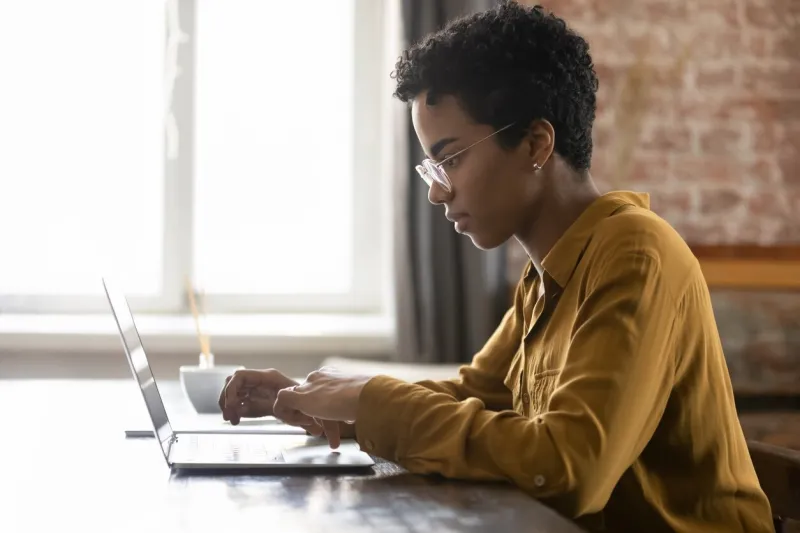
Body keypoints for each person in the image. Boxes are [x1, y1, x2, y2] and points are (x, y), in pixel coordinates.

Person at [218, 3, 773, 532]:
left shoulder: (633, 255)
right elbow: (473, 395)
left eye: (452, 158)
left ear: (535, 142)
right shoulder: (547, 275)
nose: (438, 194)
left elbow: (566, 468)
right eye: (432, 166)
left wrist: (369, 400)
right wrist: (320, 401)